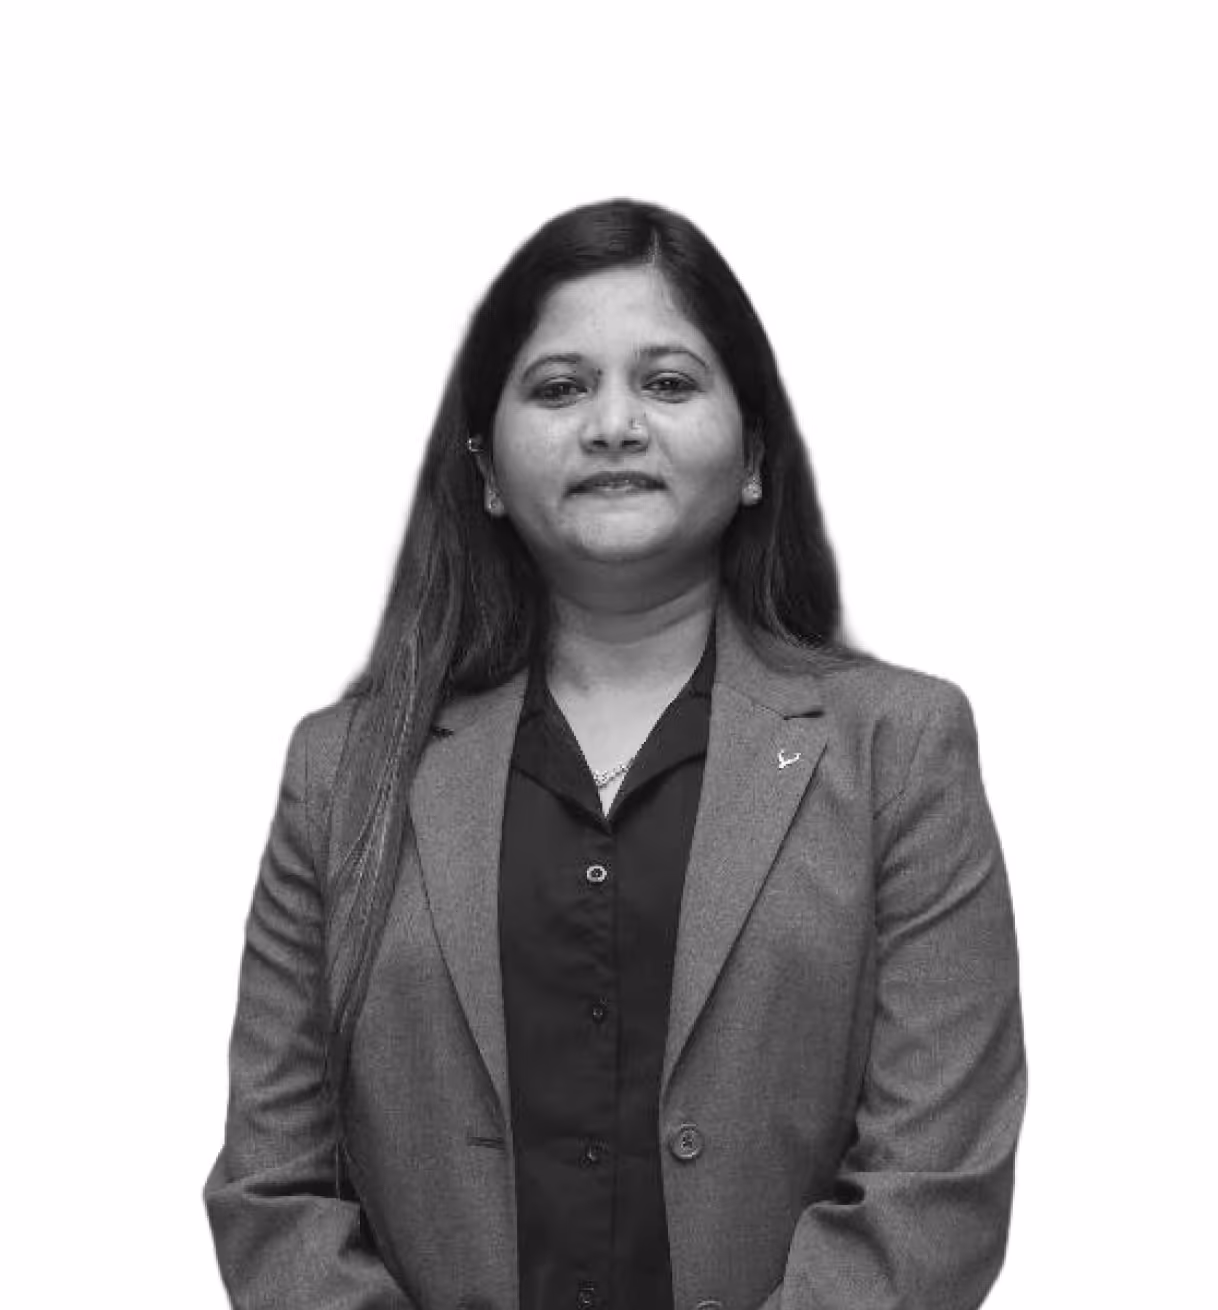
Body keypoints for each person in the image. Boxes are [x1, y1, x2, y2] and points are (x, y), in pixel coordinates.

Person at [204, 198, 1026, 1310]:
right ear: (488, 469)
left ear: (752, 459)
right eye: (559, 387)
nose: (613, 424)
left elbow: (934, 1187)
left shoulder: (901, 750)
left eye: (670, 382)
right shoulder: (342, 773)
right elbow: (275, 1186)